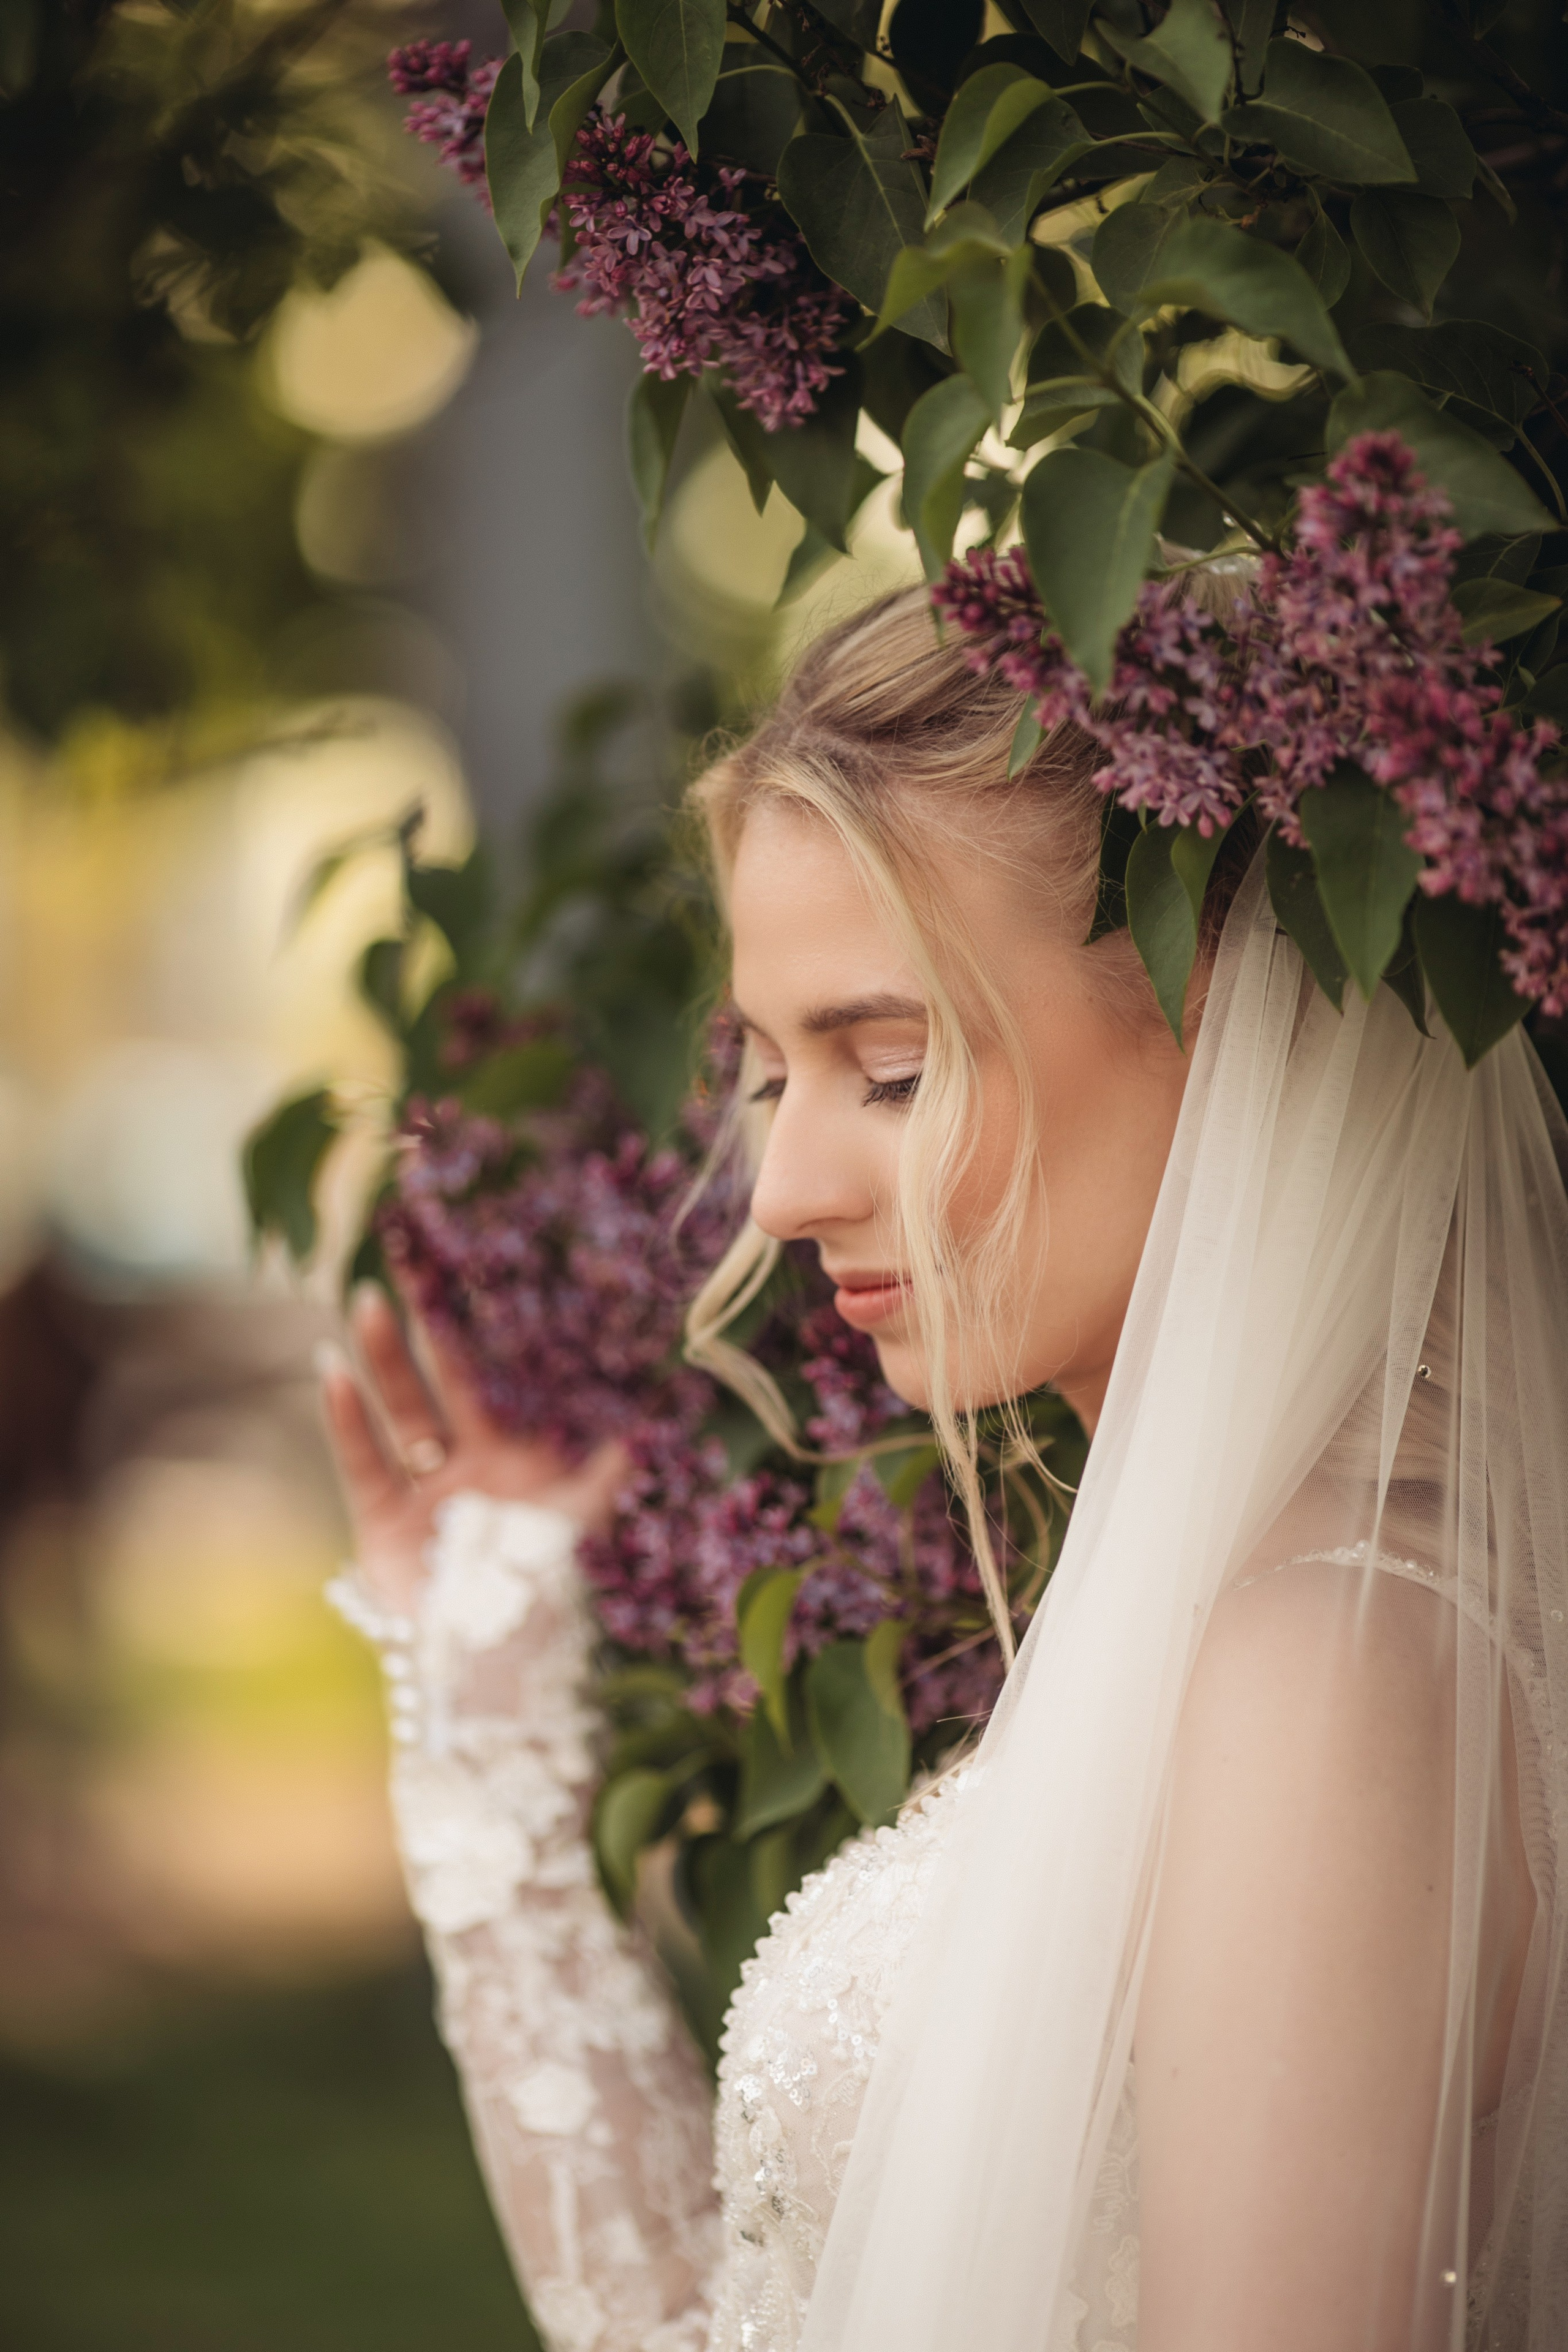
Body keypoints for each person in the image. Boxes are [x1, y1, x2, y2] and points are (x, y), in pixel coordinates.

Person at [319, 588, 1568, 2352]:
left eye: (893, 1071)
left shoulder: (1332, 1672)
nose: (780, 1190)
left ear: (1246, 1033)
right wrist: (488, 1724)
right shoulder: (1226, 1608)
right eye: (767, 1075)